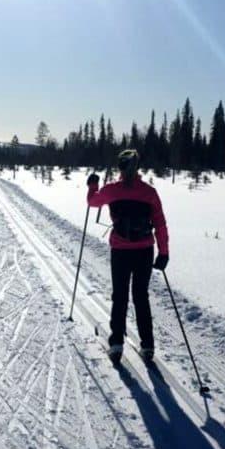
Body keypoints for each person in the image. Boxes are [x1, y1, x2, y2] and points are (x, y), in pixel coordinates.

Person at [87, 149, 169, 364]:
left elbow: (92, 202)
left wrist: (92, 185)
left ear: (120, 167)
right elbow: (160, 223)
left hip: (121, 250)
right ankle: (148, 345)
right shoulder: (149, 192)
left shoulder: (112, 189)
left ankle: (116, 344)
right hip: (144, 250)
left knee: (120, 295)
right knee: (141, 296)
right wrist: (164, 252)